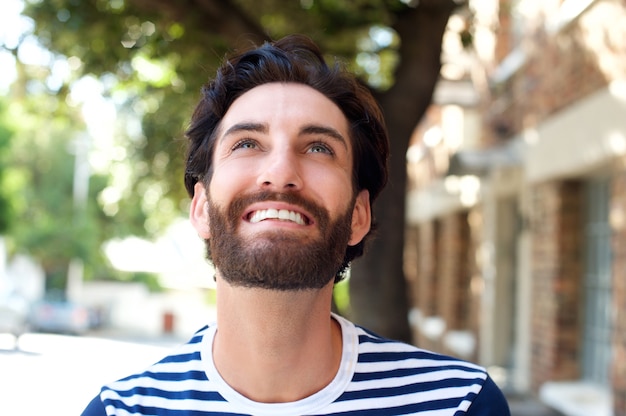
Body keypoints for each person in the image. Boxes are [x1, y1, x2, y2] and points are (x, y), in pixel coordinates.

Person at [81, 34, 510, 415]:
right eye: (247, 143)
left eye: (319, 148)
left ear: (359, 216)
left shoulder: (461, 404)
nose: (281, 171)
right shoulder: (122, 410)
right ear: (201, 208)